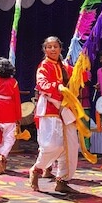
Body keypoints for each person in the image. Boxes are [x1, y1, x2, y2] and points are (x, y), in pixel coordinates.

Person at [29, 36, 78, 194]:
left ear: (60, 48)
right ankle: (37, 169)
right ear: (45, 50)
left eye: (55, 46)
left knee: (69, 146)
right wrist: (57, 86)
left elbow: (76, 79)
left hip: (65, 109)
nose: (52, 49)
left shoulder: (65, 66)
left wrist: (81, 67)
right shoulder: (43, 66)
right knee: (53, 145)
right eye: (49, 47)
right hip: (50, 107)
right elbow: (42, 84)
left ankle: (62, 180)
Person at [0, 57, 22, 175]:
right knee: (10, 137)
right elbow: (17, 100)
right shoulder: (13, 82)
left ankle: (1, 157)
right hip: (9, 109)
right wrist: (18, 117)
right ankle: (2, 156)